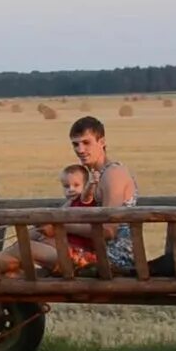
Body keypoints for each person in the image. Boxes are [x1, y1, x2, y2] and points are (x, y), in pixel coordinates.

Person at [68, 116, 139, 273]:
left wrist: (62, 226)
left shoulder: (113, 174)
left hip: (114, 259)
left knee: (27, 250)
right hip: (93, 251)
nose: (80, 150)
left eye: (86, 143)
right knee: (29, 247)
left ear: (102, 142)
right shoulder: (94, 176)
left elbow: (109, 231)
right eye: (75, 144)